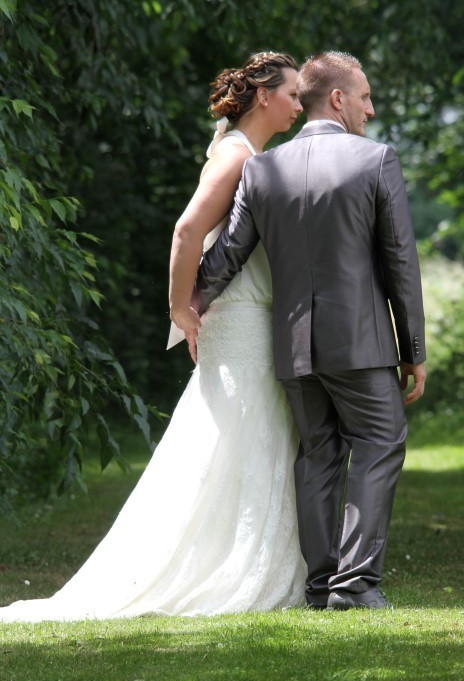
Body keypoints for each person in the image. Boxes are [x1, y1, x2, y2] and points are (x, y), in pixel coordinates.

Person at [0, 52, 306, 622]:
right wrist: (180, 309)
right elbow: (187, 229)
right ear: (264, 95)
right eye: (291, 93)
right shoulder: (238, 157)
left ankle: (236, 555)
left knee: (238, 445)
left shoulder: (245, 153)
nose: (298, 103)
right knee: (237, 439)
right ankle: (227, 568)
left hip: (249, 318)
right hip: (240, 321)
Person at [171, 51, 426, 612]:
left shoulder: (264, 169)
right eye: (364, 96)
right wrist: (414, 350)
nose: (370, 108)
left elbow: (228, 256)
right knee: (381, 444)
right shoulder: (377, 160)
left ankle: (320, 584)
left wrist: (186, 307)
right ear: (337, 98)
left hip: (293, 346)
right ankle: (355, 586)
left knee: (318, 455)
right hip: (361, 345)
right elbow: (399, 263)